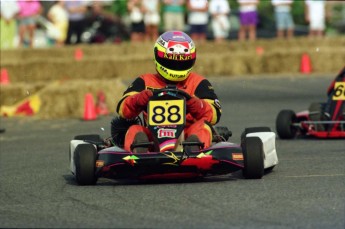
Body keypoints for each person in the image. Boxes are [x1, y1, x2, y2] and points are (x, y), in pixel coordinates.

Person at [116, 31, 222, 153]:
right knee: (135, 129)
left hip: (186, 135)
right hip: (153, 138)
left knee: (202, 127)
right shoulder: (145, 81)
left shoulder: (198, 82)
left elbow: (214, 115)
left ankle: (194, 149)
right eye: (171, 61)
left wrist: (197, 105)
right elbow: (122, 110)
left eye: (182, 62)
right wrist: (137, 100)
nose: (176, 66)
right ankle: (139, 151)